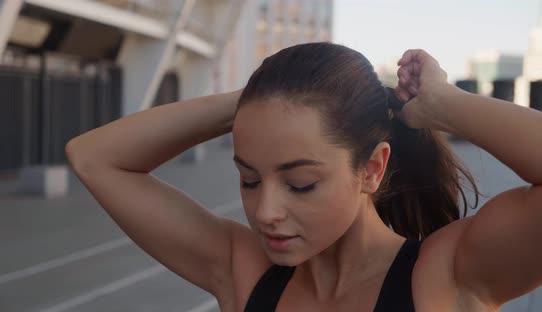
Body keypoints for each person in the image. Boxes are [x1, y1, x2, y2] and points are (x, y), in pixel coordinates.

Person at [65, 42, 542, 311]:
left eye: (300, 185)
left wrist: (448, 105)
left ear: (371, 168)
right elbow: (93, 156)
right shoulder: (246, 274)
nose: (265, 212)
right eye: (249, 181)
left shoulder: (444, 277)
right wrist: (256, 101)